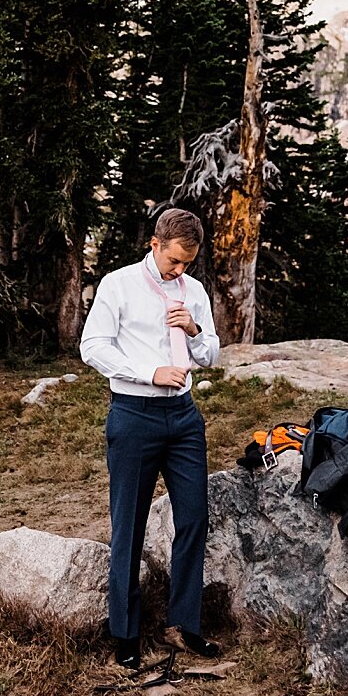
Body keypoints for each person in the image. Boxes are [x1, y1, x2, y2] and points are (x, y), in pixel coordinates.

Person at [80, 207, 222, 669]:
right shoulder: (118, 285)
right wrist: (148, 371)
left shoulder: (193, 291)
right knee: (130, 525)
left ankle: (183, 625)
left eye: (188, 263)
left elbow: (211, 354)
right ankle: (125, 633)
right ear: (154, 244)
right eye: (174, 261)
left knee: (194, 519)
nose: (179, 270)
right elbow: (93, 346)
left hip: (183, 418)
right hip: (134, 414)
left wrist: (195, 330)